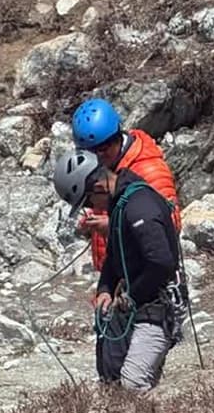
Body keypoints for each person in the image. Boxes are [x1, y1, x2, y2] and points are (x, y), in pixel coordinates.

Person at [53, 150, 182, 392]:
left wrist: (131, 296)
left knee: (133, 383)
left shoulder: (139, 206)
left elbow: (161, 262)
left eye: (88, 202)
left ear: (99, 185)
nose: (91, 209)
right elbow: (115, 256)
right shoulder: (120, 204)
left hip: (155, 306)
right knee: (111, 376)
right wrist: (105, 289)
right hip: (133, 304)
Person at [70, 98, 181, 271]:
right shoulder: (108, 167)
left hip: (144, 275)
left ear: (116, 138)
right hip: (118, 272)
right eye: (89, 153)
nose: (97, 158)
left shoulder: (150, 170)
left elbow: (170, 223)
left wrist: (114, 226)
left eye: (102, 150)